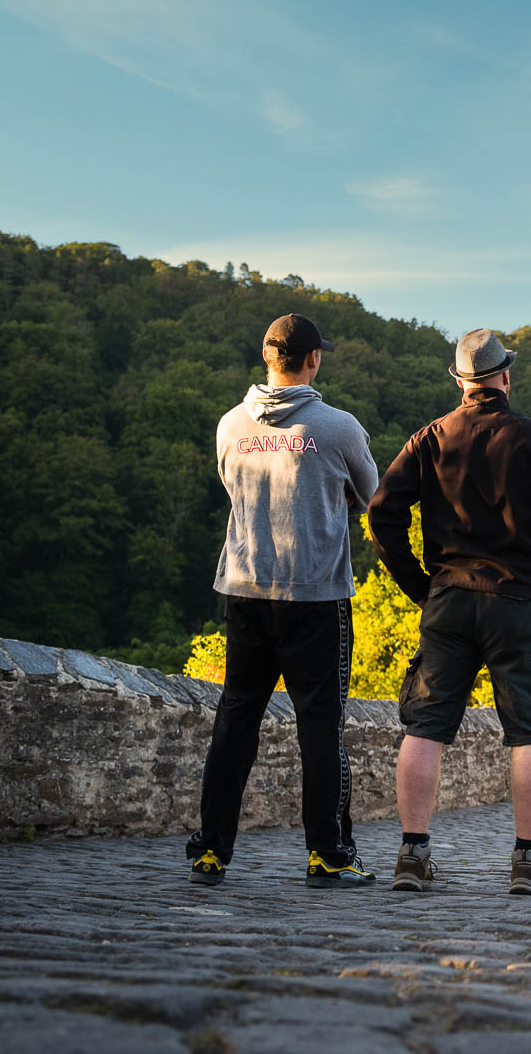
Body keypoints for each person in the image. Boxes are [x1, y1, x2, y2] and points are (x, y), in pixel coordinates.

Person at [368, 328, 531, 896]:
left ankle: (412, 854)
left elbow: (382, 514)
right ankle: (526, 864)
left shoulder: (428, 439)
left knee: (426, 727)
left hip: (450, 599)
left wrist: (422, 586)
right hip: (519, 602)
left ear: (460, 381)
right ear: (505, 376)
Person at [187, 313, 380, 889]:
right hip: (314, 594)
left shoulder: (230, 425)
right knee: (320, 726)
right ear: (314, 358)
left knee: (236, 720)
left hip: (245, 590)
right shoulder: (338, 427)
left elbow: (240, 491)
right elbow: (374, 495)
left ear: (267, 356)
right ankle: (328, 853)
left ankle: (212, 850)